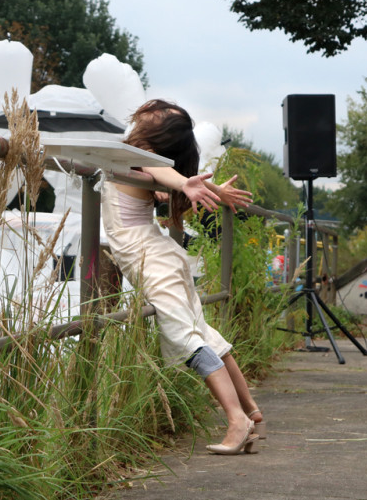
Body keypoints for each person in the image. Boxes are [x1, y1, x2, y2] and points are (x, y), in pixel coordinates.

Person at [101, 99, 265, 455]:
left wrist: (185, 184)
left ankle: (237, 420)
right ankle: (250, 409)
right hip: (161, 256)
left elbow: (164, 174)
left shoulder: (139, 153)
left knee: (186, 339)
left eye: (154, 114)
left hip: (151, 260)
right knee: (203, 334)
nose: (143, 115)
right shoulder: (142, 161)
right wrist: (210, 190)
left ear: (157, 132)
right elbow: (161, 179)